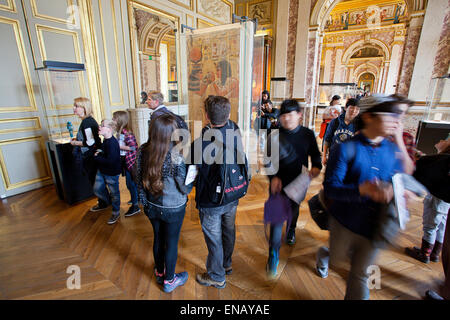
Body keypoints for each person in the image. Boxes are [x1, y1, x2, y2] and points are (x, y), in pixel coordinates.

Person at [323, 94, 404, 300]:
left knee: (360, 275)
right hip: (345, 223)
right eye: (390, 116)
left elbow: (399, 181)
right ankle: (325, 254)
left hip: (375, 226)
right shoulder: (345, 149)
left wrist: (401, 193)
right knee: (336, 261)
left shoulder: (392, 150)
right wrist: (362, 190)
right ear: (369, 117)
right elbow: (331, 189)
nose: (397, 122)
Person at [193, 95, 248, 289]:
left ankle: (216, 276)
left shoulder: (201, 143)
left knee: (214, 237)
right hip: (233, 191)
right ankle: (226, 263)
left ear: (207, 116)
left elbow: (192, 173)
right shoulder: (234, 129)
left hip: (212, 199)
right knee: (229, 229)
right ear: (229, 113)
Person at [135, 113, 192, 293]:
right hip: (173, 208)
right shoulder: (176, 155)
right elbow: (184, 188)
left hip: (152, 205)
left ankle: (160, 272)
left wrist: (143, 202)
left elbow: (137, 180)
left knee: (158, 238)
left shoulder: (143, 150)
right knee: (172, 242)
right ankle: (169, 281)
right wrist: (194, 176)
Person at [266, 99, 322, 277]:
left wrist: (316, 168)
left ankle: (291, 230)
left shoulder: (307, 134)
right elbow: (268, 160)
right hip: (278, 185)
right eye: (283, 116)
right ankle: (273, 255)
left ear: (298, 115)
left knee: (294, 210)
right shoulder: (273, 134)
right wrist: (272, 177)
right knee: (276, 221)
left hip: (299, 183)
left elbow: (316, 156)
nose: (286, 119)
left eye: (290, 115)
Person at [405, 137, 450, 264]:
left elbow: (426, 165)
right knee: (441, 227)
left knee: (430, 226)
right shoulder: (444, 162)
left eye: (446, 140)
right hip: (446, 202)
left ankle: (425, 253)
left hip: (436, 199)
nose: (442, 139)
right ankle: (434, 253)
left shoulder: (443, 161)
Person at [70, 97, 102, 202]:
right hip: (91, 155)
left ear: (84, 108)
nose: (74, 108)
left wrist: (75, 143)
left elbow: (90, 143)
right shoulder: (87, 121)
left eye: (77, 106)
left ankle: (103, 202)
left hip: (90, 156)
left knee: (95, 180)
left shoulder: (87, 122)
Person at [92, 119, 122, 225]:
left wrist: (97, 157)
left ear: (109, 130)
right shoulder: (105, 140)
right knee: (97, 189)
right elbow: (104, 152)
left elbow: (111, 161)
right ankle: (108, 202)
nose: (99, 127)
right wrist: (99, 152)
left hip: (111, 172)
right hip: (102, 169)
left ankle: (116, 211)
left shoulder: (112, 143)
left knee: (114, 193)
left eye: (102, 125)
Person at [112, 111, 140, 217]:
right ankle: (135, 199)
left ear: (119, 120)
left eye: (114, 118)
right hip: (125, 160)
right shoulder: (120, 132)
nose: (113, 120)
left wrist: (117, 146)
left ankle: (135, 205)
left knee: (130, 183)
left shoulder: (126, 132)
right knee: (131, 183)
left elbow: (133, 147)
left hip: (130, 161)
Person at [322, 98, 360, 166]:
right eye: (352, 108)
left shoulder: (358, 125)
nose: (354, 111)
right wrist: (324, 156)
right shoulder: (335, 122)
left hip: (350, 159)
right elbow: (327, 139)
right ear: (346, 108)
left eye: (357, 109)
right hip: (334, 156)